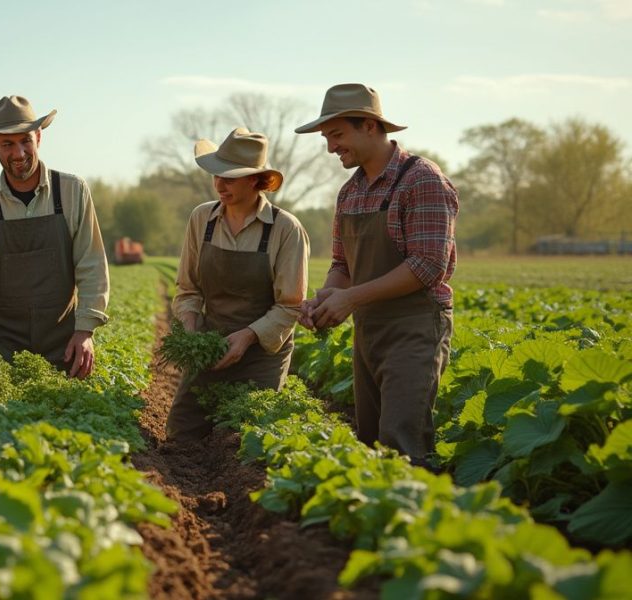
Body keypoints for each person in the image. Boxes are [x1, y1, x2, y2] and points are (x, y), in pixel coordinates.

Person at [295, 83, 457, 464]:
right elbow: (342, 265)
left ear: (369, 126)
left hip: (414, 328)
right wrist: (325, 299)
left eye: (337, 135)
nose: (331, 147)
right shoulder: (350, 192)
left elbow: (427, 265)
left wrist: (350, 299)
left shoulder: (422, 180)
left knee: (401, 443)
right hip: (368, 330)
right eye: (326, 138)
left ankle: (417, 502)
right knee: (369, 441)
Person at [167, 128, 310, 442]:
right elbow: (188, 288)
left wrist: (247, 337)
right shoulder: (202, 219)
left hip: (260, 356)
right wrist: (190, 327)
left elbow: (290, 305)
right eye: (216, 176)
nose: (219, 185)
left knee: (245, 439)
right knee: (181, 434)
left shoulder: (285, 229)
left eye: (230, 178)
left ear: (256, 180)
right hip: (210, 347)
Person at [0, 95, 109, 378]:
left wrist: (85, 332)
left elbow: (92, 264)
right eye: (7, 144)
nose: (19, 153)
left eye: (25, 140)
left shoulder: (72, 191)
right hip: (2, 346)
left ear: (38, 137)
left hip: (65, 344)